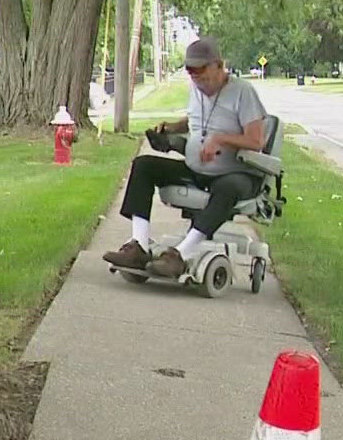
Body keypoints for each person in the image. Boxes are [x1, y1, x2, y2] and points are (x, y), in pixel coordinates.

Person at [103, 36, 269, 279]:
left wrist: (221, 139)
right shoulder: (197, 90)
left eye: (201, 71)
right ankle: (138, 246)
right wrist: (171, 128)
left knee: (229, 186)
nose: (196, 78)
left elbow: (257, 140)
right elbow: (195, 123)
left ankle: (180, 255)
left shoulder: (242, 92)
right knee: (144, 165)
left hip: (235, 173)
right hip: (197, 169)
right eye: (191, 72)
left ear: (219, 65)